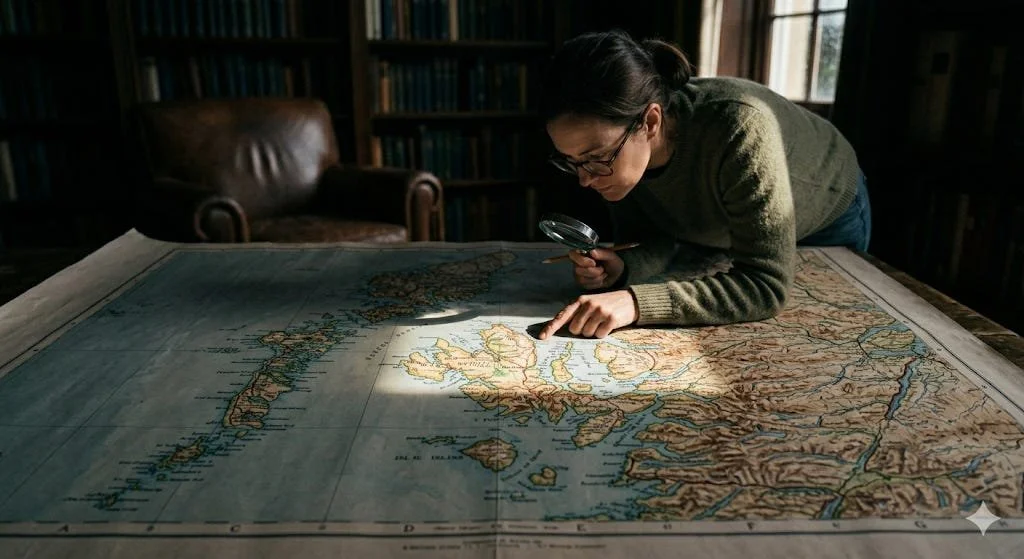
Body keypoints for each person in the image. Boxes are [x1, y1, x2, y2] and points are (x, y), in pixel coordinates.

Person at [537, 30, 871, 341]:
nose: (585, 179)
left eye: (595, 157)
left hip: (825, 207)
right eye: (571, 161)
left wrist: (634, 303)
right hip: (721, 224)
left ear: (650, 122)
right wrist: (624, 268)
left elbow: (766, 285)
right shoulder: (619, 156)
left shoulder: (741, 127)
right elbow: (653, 236)